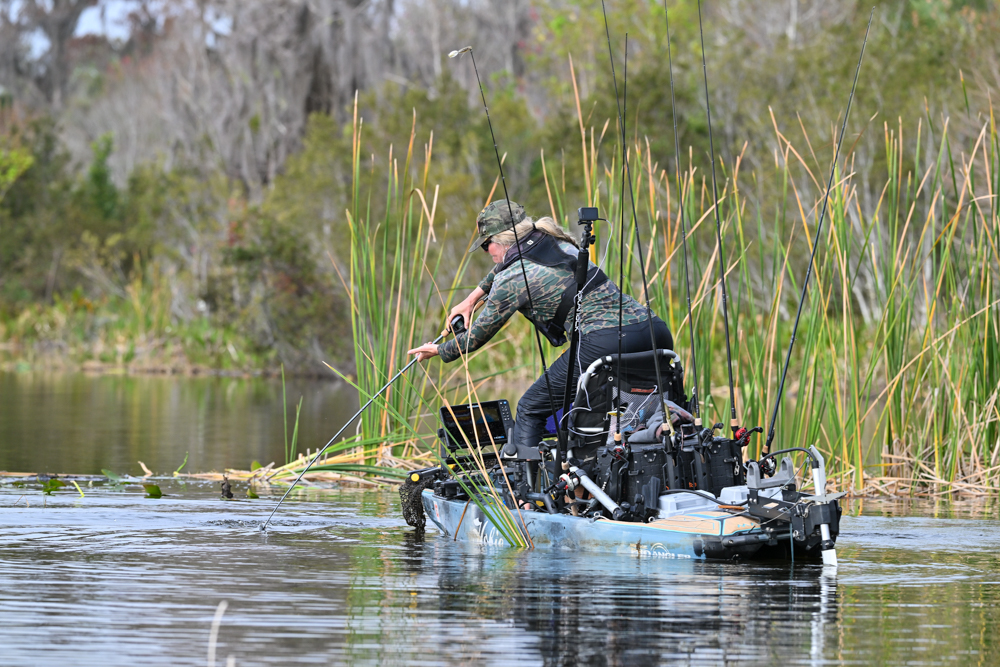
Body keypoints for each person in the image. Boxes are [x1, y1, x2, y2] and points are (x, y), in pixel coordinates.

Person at [407, 199, 673, 452]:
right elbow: (505, 264)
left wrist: (438, 350)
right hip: (655, 331)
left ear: (501, 241)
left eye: (486, 245)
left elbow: (474, 338)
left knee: (530, 408)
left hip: (604, 341)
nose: (487, 252)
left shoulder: (512, 279)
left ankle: (526, 485)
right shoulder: (555, 241)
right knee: (612, 404)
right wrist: (471, 299)